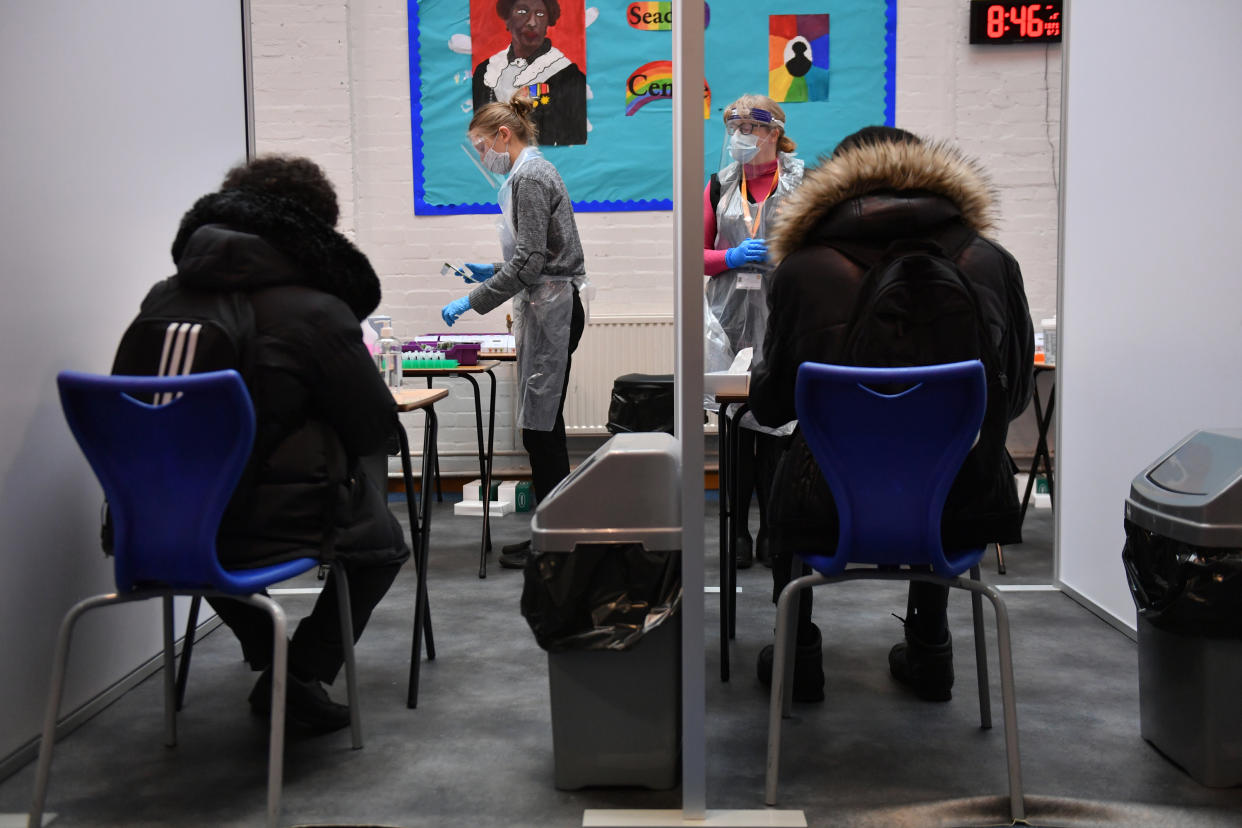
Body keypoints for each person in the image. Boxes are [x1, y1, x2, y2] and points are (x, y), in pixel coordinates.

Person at [111, 155, 409, 732]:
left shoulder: (164, 299)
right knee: (381, 548)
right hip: (275, 522)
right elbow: (374, 428)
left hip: (155, 523)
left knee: (210, 549)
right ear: (313, 231)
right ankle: (296, 675)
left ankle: (274, 661)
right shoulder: (318, 311)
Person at [749, 126, 1034, 703]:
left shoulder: (802, 269)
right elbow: (1020, 393)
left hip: (826, 508)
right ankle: (930, 647)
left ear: (837, 184)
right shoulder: (992, 262)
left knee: (794, 456)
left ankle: (798, 651)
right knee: (938, 458)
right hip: (962, 504)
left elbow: (772, 406)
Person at [442, 93, 587, 569]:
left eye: (482, 145)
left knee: (541, 432)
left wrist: (476, 298)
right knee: (541, 428)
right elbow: (531, 255)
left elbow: (530, 262)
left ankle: (554, 539)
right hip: (548, 304)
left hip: (553, 308)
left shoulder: (529, 176)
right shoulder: (531, 173)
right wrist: (497, 268)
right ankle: (553, 532)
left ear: (504, 135)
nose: (483, 156)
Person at [703, 94, 805, 569]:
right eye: (734, 128)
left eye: (748, 128)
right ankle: (737, 531)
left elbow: (819, 252)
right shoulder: (719, 184)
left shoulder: (802, 185)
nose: (739, 138)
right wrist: (730, 257)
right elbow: (695, 253)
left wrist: (783, 258)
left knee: (778, 425)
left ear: (772, 133)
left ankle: (773, 530)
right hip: (729, 320)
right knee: (735, 427)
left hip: (783, 317)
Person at [472, 0, 587, 146]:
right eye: (522, 12)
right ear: (507, 19)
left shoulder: (570, 77)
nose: (532, 22)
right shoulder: (486, 72)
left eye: (540, 14)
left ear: (548, 22)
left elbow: (575, 138)